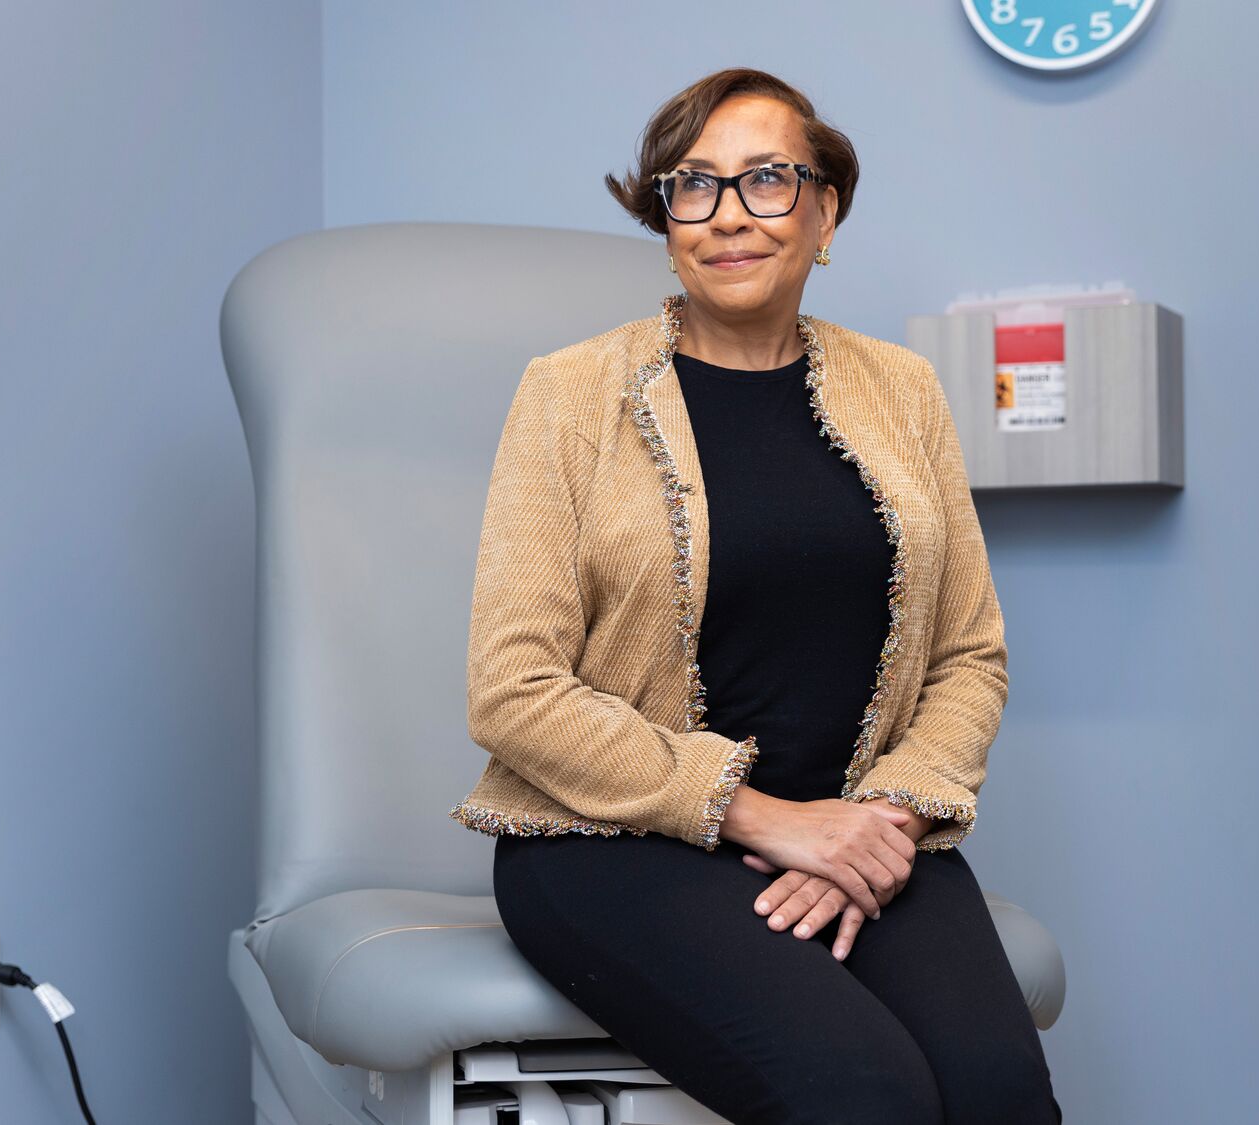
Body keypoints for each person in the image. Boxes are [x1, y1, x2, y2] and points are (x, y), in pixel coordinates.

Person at [452, 66, 1061, 1124]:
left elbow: (968, 655)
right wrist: (773, 822)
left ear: (825, 209)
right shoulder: (568, 394)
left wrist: (871, 825)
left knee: (996, 1094)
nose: (727, 215)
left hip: (865, 823)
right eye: (694, 186)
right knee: (861, 1095)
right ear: (666, 216)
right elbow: (513, 689)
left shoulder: (902, 389)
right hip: (612, 846)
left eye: (767, 180)